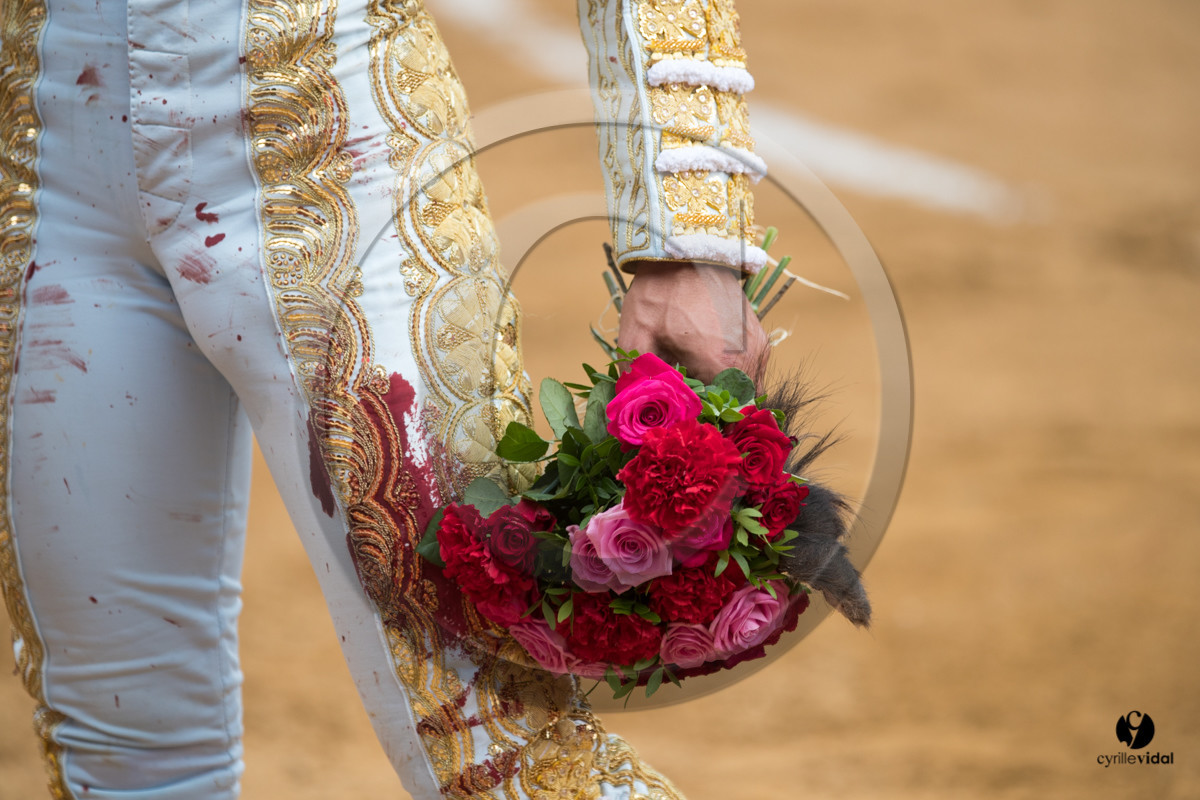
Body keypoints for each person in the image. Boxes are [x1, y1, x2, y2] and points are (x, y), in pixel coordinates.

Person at [0, 0, 770, 796]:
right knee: (117, 752)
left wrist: (688, 237)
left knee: (495, 738)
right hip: (42, 159)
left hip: (334, 134)